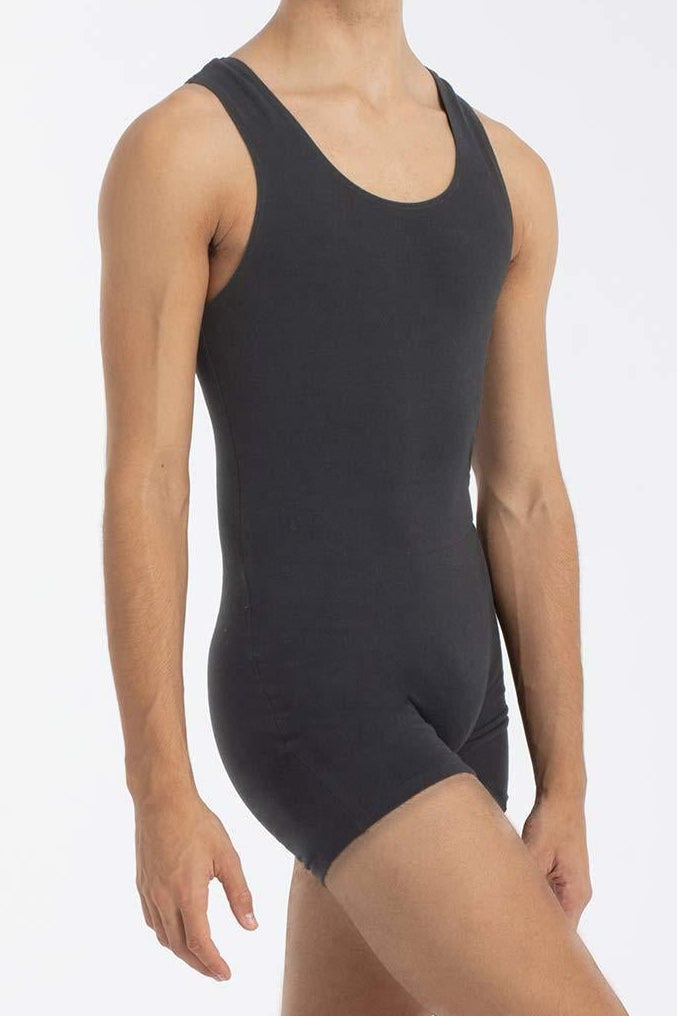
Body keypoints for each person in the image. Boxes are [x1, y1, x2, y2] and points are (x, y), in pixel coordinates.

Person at [98, 2, 630, 1013]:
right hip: (315, 699)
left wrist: (565, 782)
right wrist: (158, 786)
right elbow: (147, 481)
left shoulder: (509, 175)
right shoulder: (189, 149)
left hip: (469, 711)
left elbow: (523, 494)